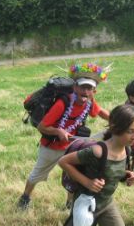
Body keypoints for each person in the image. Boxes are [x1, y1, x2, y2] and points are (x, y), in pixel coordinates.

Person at [17, 63, 110, 210]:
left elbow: (99, 112)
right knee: (38, 174)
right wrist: (58, 132)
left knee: (74, 174)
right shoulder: (63, 103)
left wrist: (117, 120)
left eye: (89, 88)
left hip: (72, 146)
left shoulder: (89, 102)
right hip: (51, 146)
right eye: (83, 87)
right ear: (75, 88)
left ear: (94, 91)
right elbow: (42, 126)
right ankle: (25, 198)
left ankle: (70, 204)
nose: (85, 91)